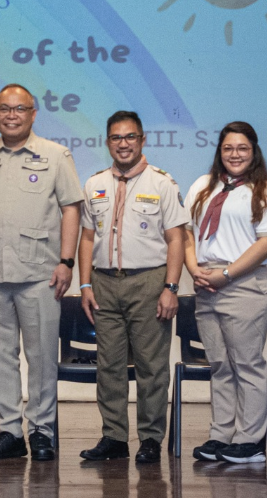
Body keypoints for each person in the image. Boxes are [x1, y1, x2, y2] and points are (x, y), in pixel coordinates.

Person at [0, 84, 84, 462]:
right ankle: (9, 431)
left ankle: (42, 430)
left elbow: (72, 209)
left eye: (19, 109)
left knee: (42, 356)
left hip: (40, 273)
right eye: (4, 109)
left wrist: (67, 261)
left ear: (33, 113)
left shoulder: (55, 155)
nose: (11, 115)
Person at [77, 110, 188, 464]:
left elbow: (176, 239)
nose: (123, 144)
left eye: (130, 137)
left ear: (142, 140)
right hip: (104, 283)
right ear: (108, 142)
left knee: (151, 366)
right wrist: (84, 284)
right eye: (116, 138)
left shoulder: (162, 183)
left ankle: (151, 438)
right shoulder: (94, 184)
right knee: (108, 366)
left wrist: (171, 286)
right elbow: (86, 237)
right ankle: (114, 437)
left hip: (149, 282)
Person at [181, 121, 267, 464]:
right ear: (219, 151)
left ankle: (250, 440)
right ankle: (221, 435)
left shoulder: (266, 191)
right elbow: (186, 235)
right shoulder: (202, 186)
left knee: (247, 364)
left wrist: (226, 274)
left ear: (253, 151)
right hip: (206, 285)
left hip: (244, 285)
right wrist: (194, 268)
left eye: (242, 148)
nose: (235, 154)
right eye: (228, 148)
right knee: (220, 365)